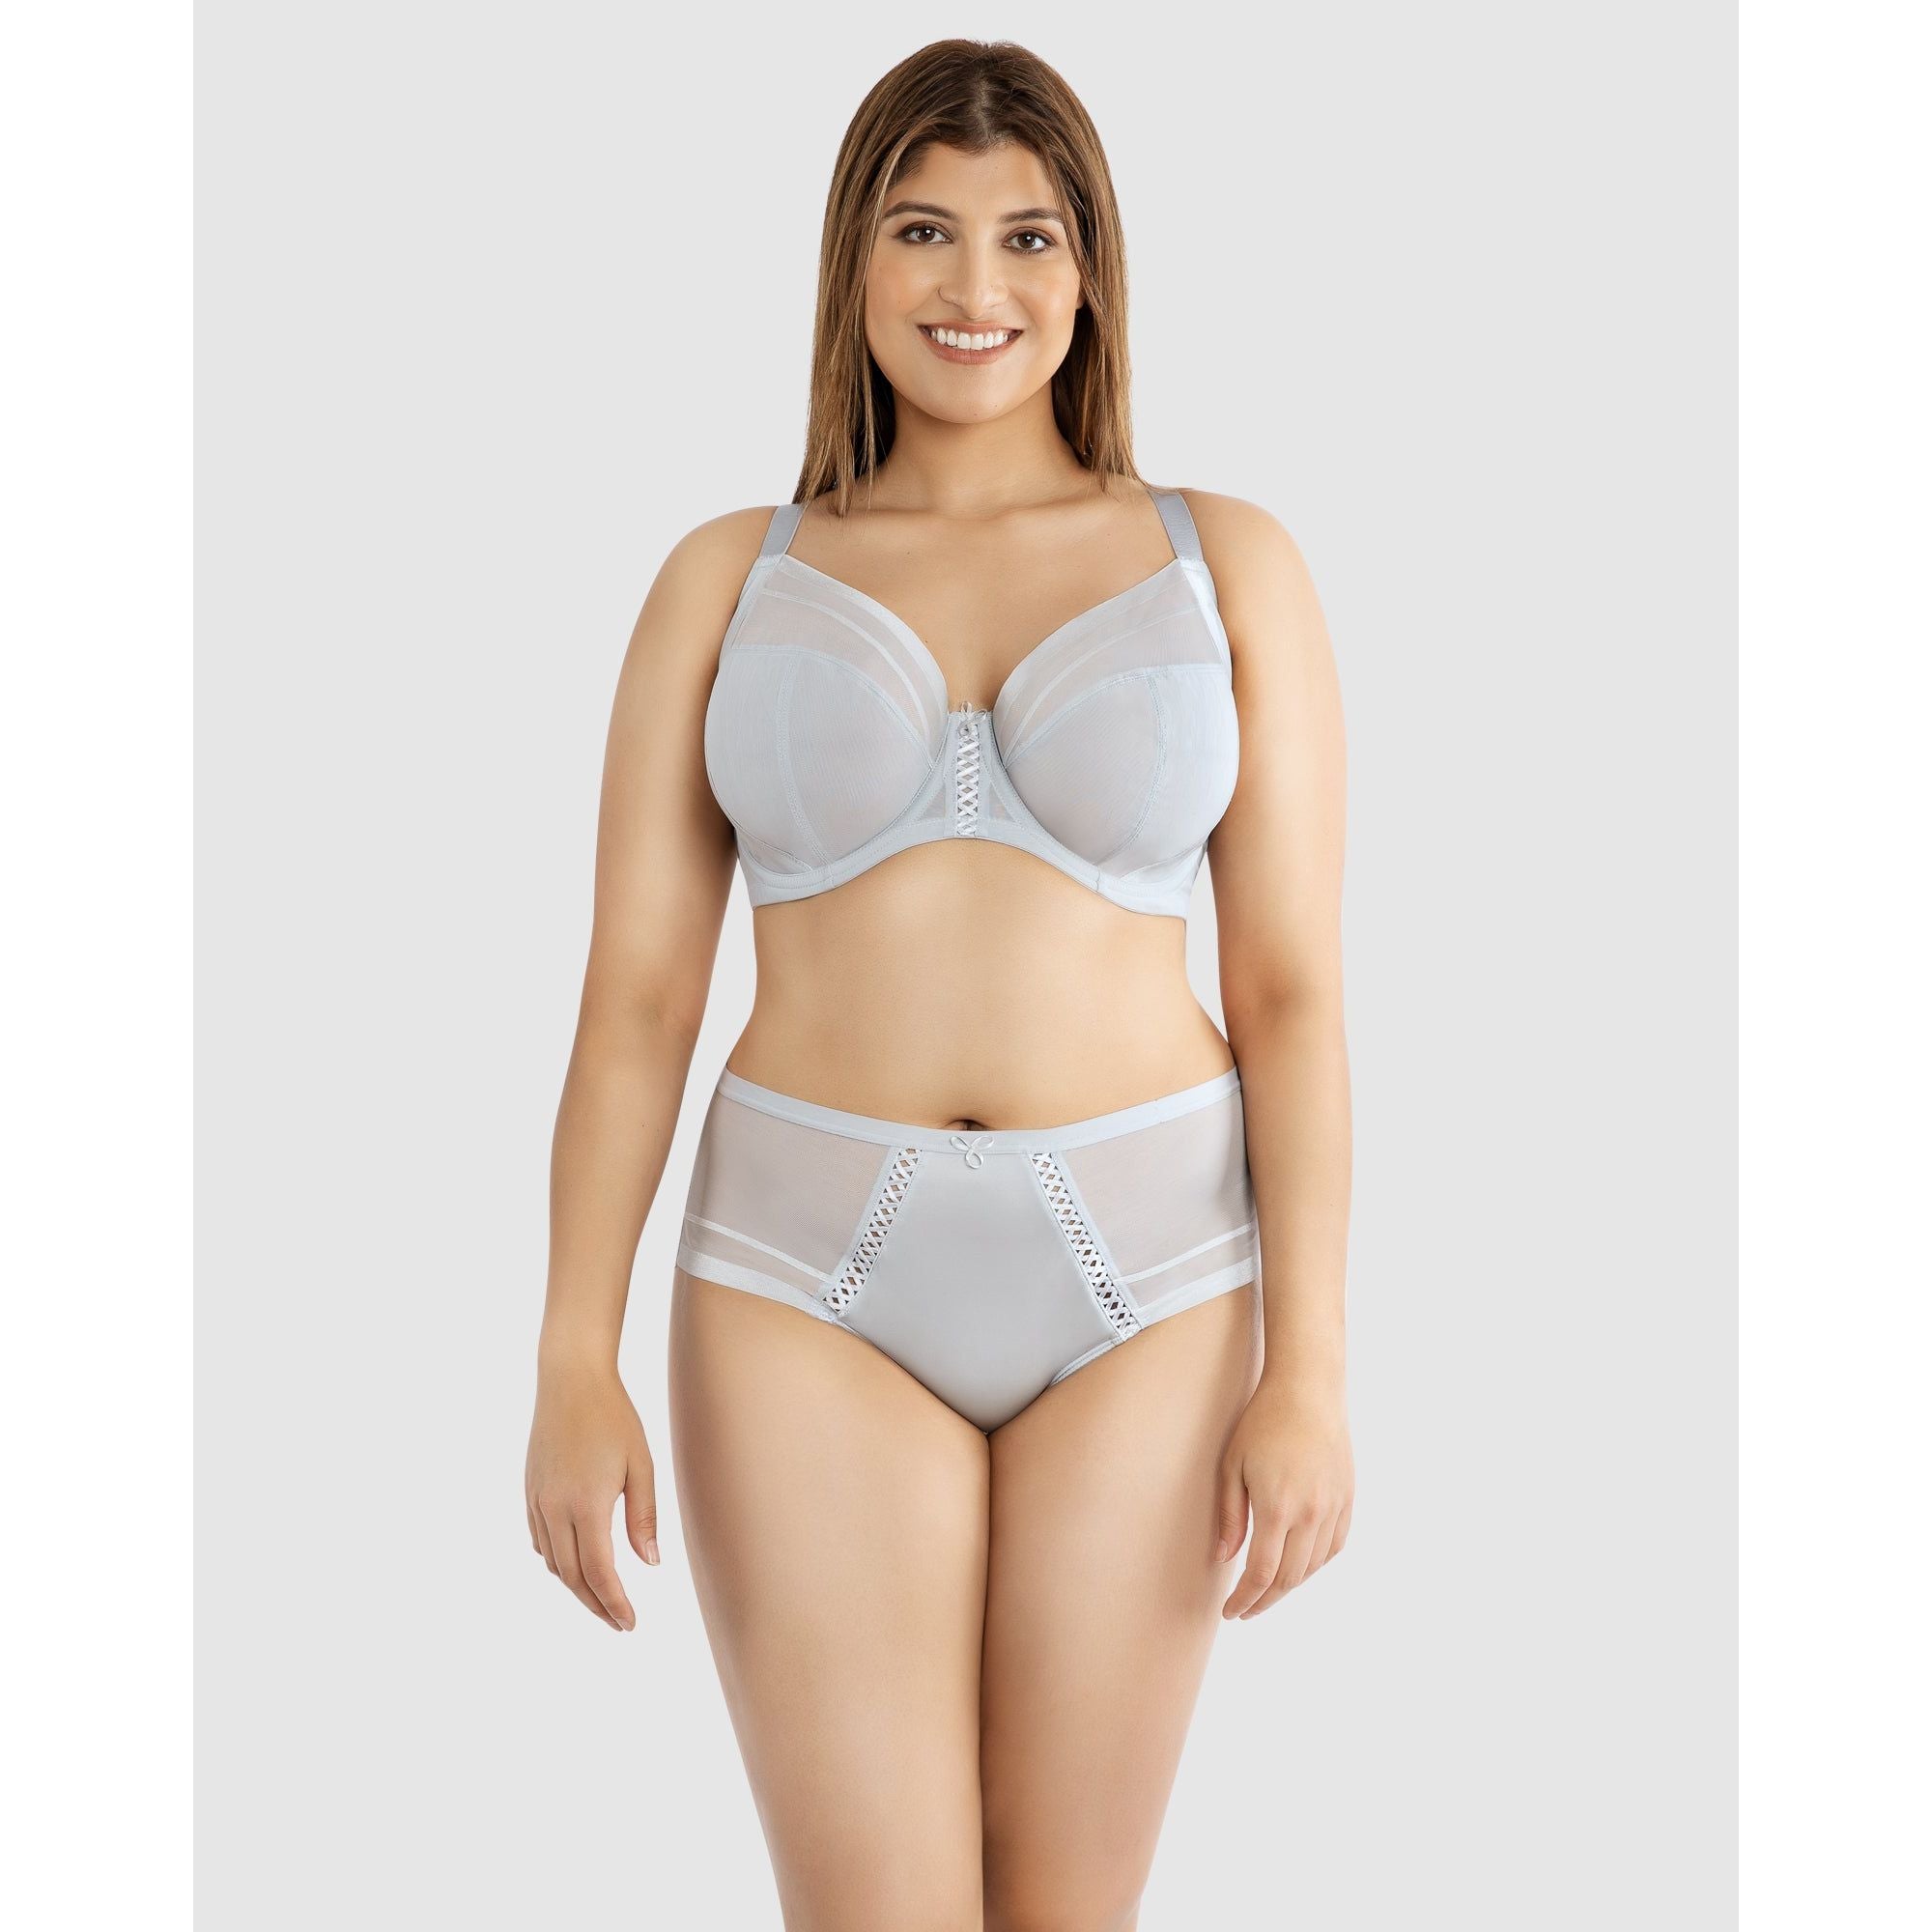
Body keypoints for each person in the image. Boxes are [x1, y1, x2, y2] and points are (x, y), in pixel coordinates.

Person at [525, 37, 1352, 1931]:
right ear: (853, 262)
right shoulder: (727, 575)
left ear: (1091, 270)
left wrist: (1311, 1368)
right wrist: (572, 1350)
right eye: (922, 230)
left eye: (1026, 236)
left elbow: (1295, 992)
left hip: (1148, 1278)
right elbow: (636, 999)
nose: (975, 286)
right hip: (801, 1278)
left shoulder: (1225, 563)